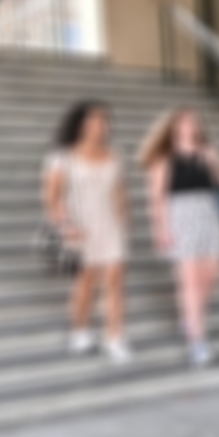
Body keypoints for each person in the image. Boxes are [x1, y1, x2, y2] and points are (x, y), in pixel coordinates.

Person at [43, 100, 133, 364]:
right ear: (81, 124)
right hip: (80, 226)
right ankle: (80, 331)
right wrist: (64, 225)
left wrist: (125, 217)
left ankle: (115, 338)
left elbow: (119, 191)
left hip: (110, 225)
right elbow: (52, 197)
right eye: (94, 119)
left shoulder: (114, 155)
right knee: (86, 282)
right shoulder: (62, 157)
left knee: (115, 281)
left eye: (105, 120)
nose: (101, 124)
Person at [139, 108, 219, 368]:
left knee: (213, 275)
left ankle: (189, 319)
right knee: (189, 282)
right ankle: (197, 342)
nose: (191, 125)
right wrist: (161, 230)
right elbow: (156, 198)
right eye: (185, 122)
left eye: (194, 121)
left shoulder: (207, 151)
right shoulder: (164, 157)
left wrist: (214, 161)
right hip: (180, 216)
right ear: (174, 126)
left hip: (209, 214)